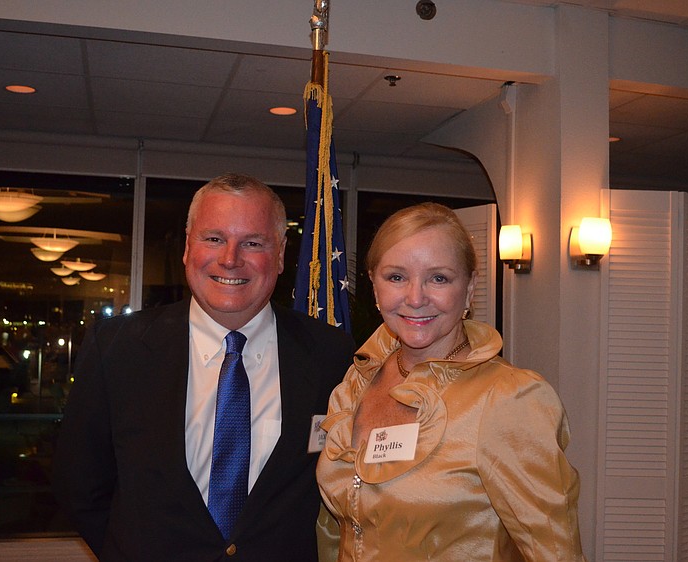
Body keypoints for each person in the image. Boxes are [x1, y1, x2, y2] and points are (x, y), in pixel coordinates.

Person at [53, 173, 355, 561]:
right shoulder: (116, 347)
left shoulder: (331, 354)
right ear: (187, 247)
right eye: (213, 238)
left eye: (252, 243)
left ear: (280, 255)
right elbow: (79, 485)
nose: (230, 258)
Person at [316, 203, 586, 561]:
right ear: (374, 285)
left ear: (470, 287)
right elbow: (336, 528)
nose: (415, 298)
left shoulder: (508, 397)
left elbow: (554, 550)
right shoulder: (357, 381)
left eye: (439, 278)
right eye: (396, 277)